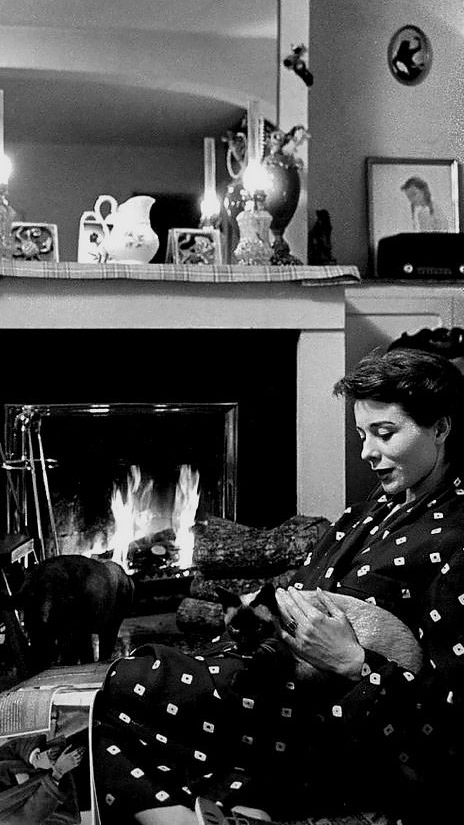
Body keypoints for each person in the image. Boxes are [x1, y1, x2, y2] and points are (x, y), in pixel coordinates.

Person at [91, 348, 464, 825]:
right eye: (362, 435)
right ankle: (234, 806)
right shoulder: (381, 501)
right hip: (277, 675)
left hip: (335, 719)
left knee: (128, 689)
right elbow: (305, 586)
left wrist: (353, 662)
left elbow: (450, 719)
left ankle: (227, 803)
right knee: (115, 693)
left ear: (441, 428)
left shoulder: (457, 539)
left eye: (385, 434)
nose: (368, 452)